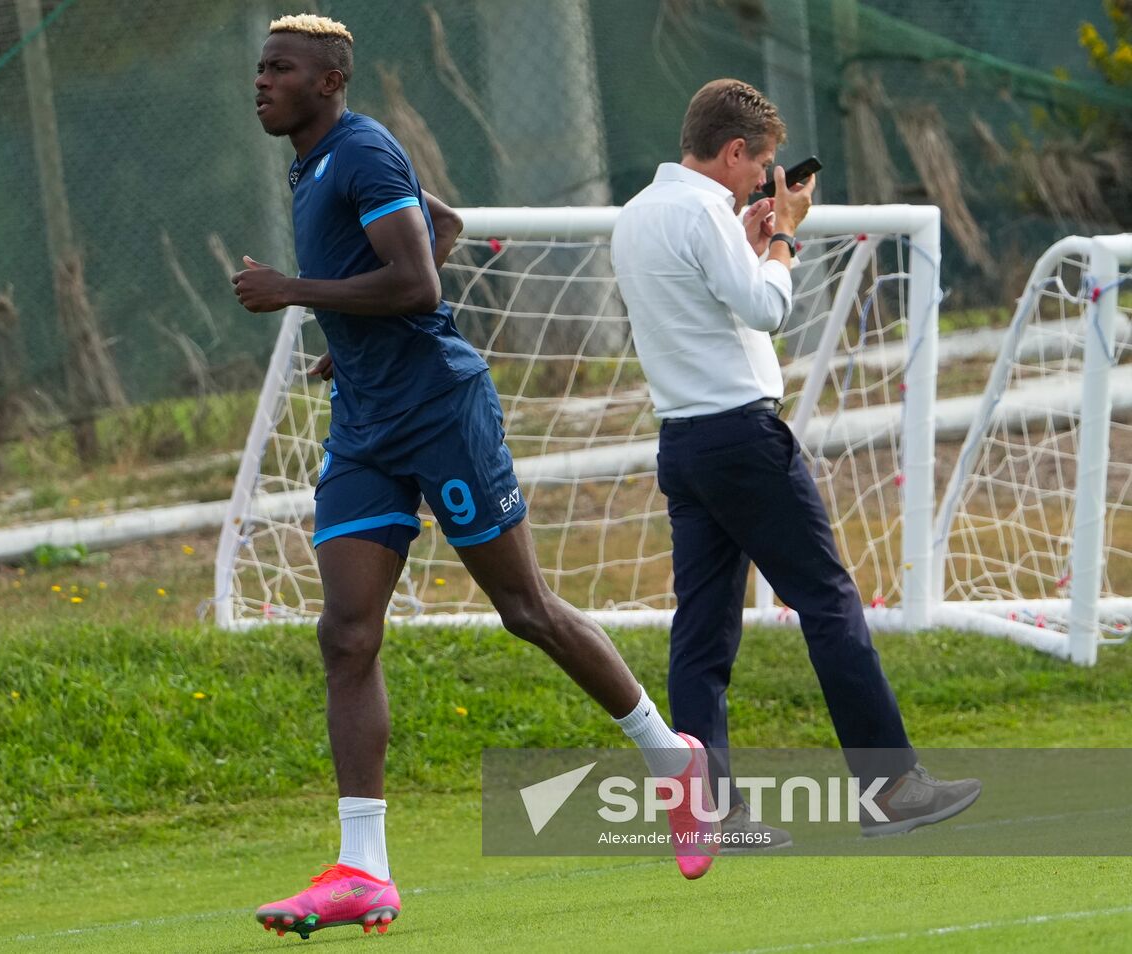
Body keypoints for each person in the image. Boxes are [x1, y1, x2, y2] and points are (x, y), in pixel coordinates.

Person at [232, 14, 718, 940]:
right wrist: (350, 341)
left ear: (329, 82)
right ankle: (363, 870)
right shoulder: (317, 160)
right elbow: (444, 223)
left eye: (280, 69)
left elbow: (419, 282)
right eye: (259, 68)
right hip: (368, 426)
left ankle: (669, 758)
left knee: (527, 611)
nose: (261, 82)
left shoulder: (363, 152)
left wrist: (298, 293)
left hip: (442, 413)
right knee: (345, 633)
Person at [610, 78, 981, 851]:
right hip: (742, 440)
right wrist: (781, 236)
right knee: (828, 600)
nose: (764, 181)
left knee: (702, 636)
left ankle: (711, 813)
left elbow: (706, 302)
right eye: (762, 164)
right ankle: (891, 788)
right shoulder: (705, 211)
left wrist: (751, 243)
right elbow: (768, 311)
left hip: (681, 440)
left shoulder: (641, 212)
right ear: (736, 151)